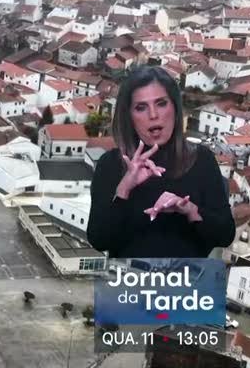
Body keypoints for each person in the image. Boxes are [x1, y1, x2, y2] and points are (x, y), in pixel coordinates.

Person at [87, 66, 235, 258]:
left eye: (161, 103)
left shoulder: (202, 160)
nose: (153, 115)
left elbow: (225, 236)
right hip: (129, 284)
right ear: (129, 116)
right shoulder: (111, 165)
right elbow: (99, 240)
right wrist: (123, 190)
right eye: (141, 107)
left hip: (187, 284)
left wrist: (191, 211)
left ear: (174, 107)